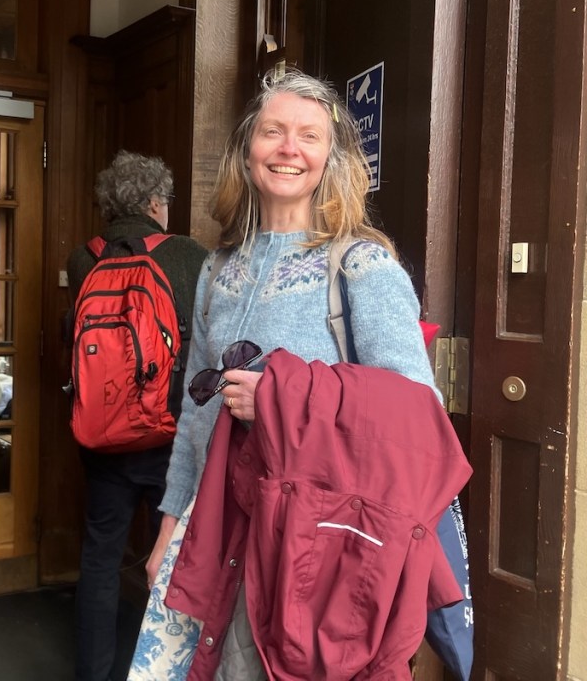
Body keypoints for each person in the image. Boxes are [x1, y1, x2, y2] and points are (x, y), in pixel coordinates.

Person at [133, 69, 442, 679]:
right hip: (213, 529)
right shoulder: (218, 270)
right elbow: (196, 413)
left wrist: (283, 395)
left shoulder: (363, 265)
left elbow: (418, 414)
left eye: (309, 136)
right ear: (247, 152)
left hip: (309, 540)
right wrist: (170, 527)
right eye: (273, 131)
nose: (289, 149)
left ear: (332, 158)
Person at [66, 150, 208, 681]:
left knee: (100, 557)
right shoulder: (190, 256)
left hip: (101, 436)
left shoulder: (85, 259)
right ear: (154, 202)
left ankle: (93, 673)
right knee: (172, 555)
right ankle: (165, 670)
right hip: (169, 436)